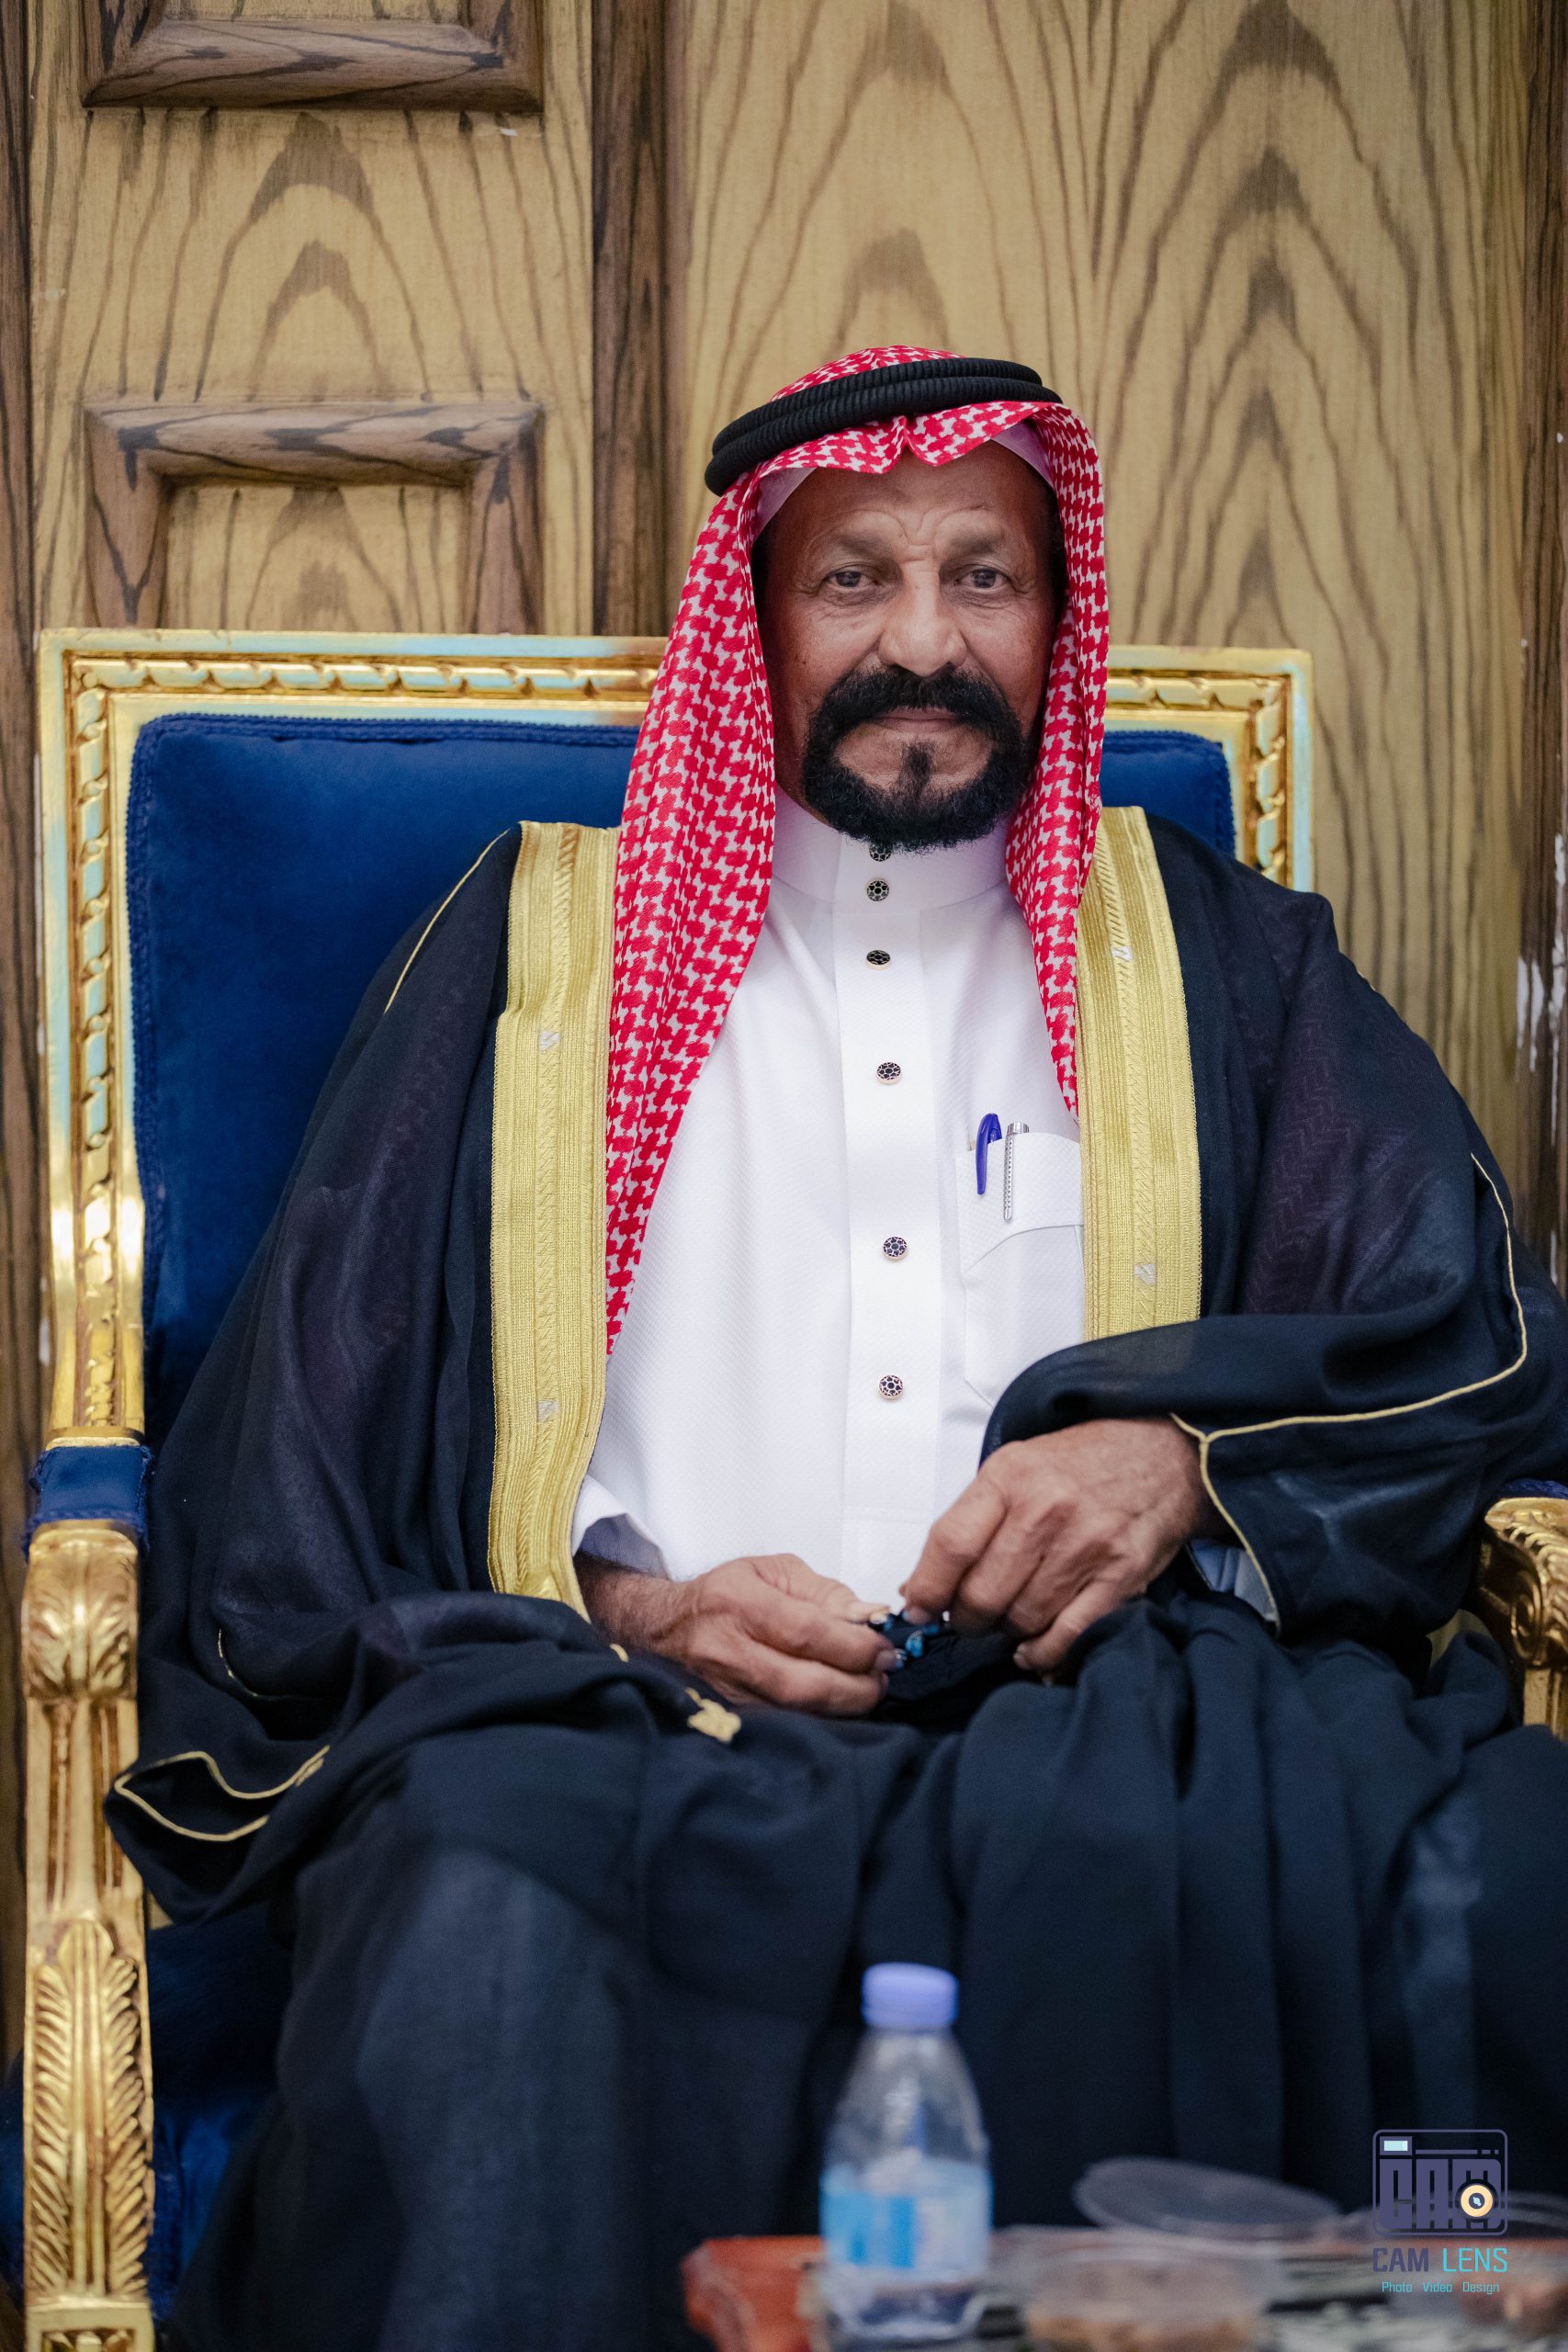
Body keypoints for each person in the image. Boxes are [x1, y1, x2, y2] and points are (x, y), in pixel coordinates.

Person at [111, 348, 1568, 2352]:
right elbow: (310, 1427)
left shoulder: (1222, 961)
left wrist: (1184, 1465)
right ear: (761, 622)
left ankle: (1429, 2302)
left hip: (1103, 1718)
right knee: (466, 1880)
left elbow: (1462, 1329)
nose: (924, 641)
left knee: (1490, 1851)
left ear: (1051, 616)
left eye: (983, 576)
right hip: (633, 1726)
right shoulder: (537, 959)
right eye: (854, 580)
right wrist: (629, 1603)